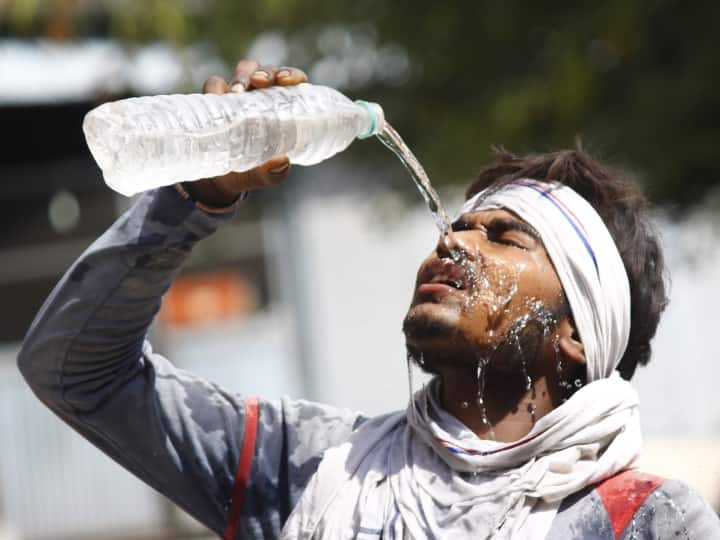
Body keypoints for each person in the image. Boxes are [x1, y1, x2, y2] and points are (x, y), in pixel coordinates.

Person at [17, 59, 720, 539]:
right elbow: (75, 371)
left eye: (503, 237)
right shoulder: (316, 461)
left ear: (576, 331)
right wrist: (194, 198)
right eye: (457, 225)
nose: (454, 243)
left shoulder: (643, 520)